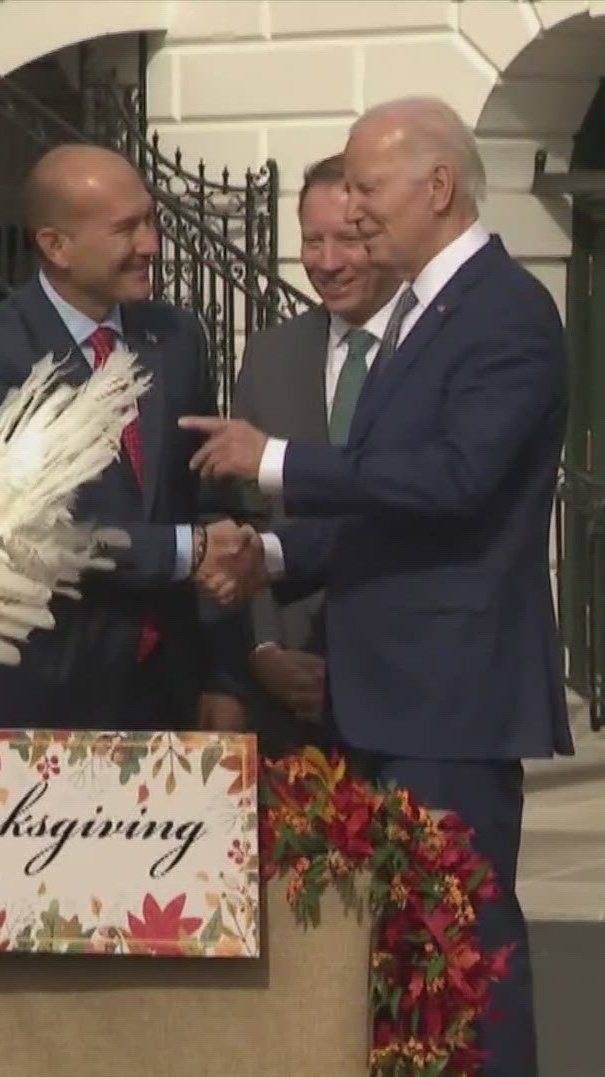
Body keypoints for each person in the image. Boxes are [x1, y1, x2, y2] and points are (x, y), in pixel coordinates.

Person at [181, 97, 571, 1077]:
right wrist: (273, 559)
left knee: (466, 950)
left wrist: (275, 462)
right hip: (391, 689)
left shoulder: (504, 312)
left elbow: (453, 481)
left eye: (365, 186)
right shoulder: (422, 313)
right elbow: (388, 505)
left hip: (449, 694)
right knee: (405, 952)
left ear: (436, 187)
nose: (351, 211)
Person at [0, 142, 253, 734]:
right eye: (126, 229)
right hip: (47, 695)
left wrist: (224, 676)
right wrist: (186, 551)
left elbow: (210, 504)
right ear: (55, 246)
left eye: (150, 221)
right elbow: (26, 531)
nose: (151, 245)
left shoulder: (178, 339)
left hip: (172, 692)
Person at [229, 152, 402, 759]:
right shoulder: (270, 357)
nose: (327, 263)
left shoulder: (433, 348)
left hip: (407, 686)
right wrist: (263, 650)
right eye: (311, 240)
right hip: (288, 703)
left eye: (349, 240)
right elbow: (241, 519)